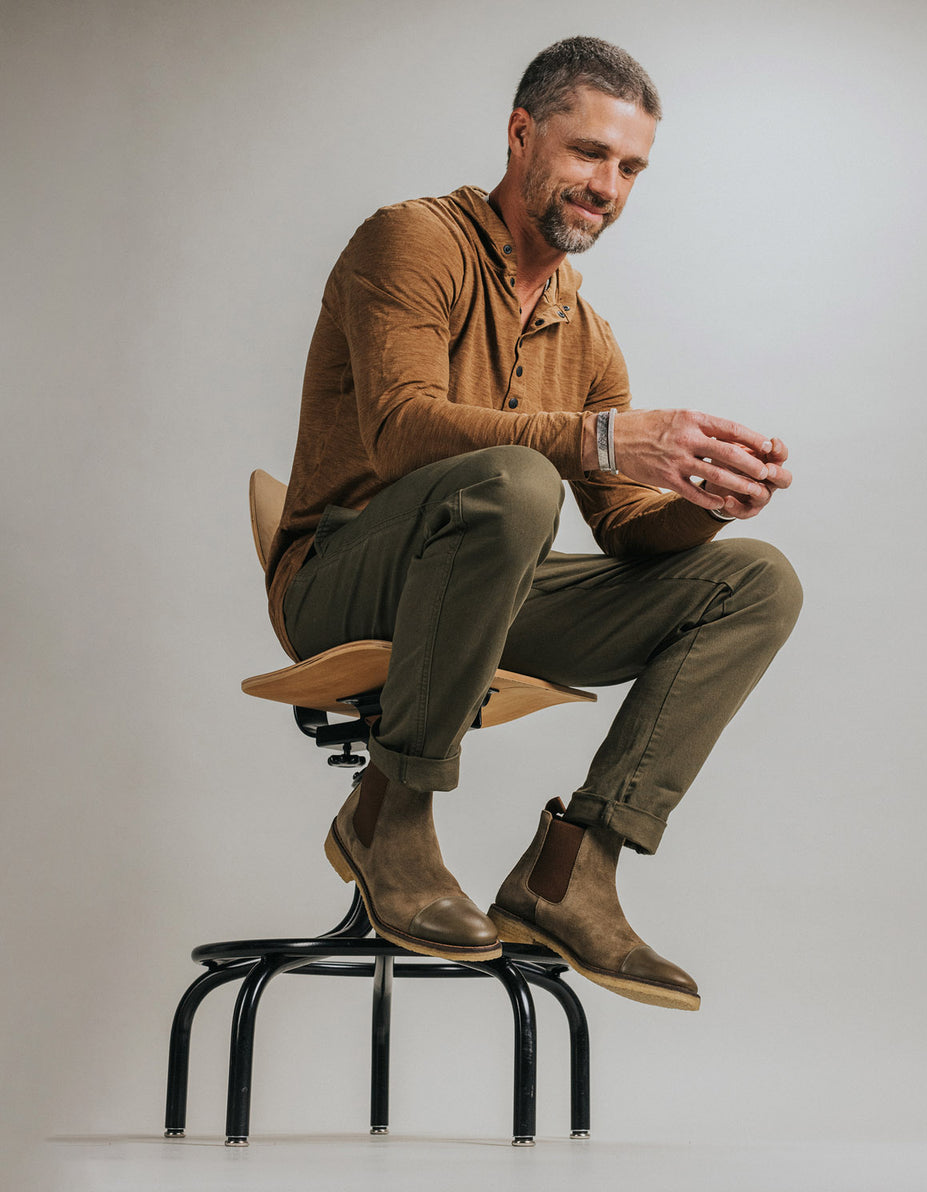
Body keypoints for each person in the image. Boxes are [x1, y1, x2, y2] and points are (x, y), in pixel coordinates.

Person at [265, 36, 802, 1011]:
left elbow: (626, 531)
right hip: (343, 575)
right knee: (516, 482)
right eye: (591, 153)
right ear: (522, 134)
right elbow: (399, 432)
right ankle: (392, 814)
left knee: (756, 581)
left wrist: (700, 505)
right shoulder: (412, 240)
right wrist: (600, 440)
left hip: (486, 583)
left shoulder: (587, 336)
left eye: (632, 167)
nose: (610, 186)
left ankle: (570, 875)